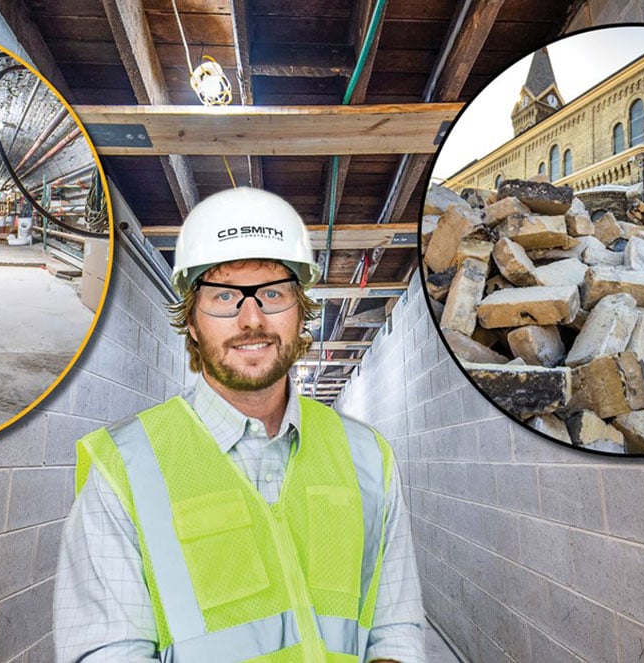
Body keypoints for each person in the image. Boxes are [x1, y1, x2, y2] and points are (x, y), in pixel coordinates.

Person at [54, 187, 425, 662]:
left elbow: (395, 628)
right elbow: (108, 653)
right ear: (191, 319)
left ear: (300, 311)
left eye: (272, 293)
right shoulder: (124, 468)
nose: (252, 318)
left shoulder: (368, 456)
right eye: (225, 296)